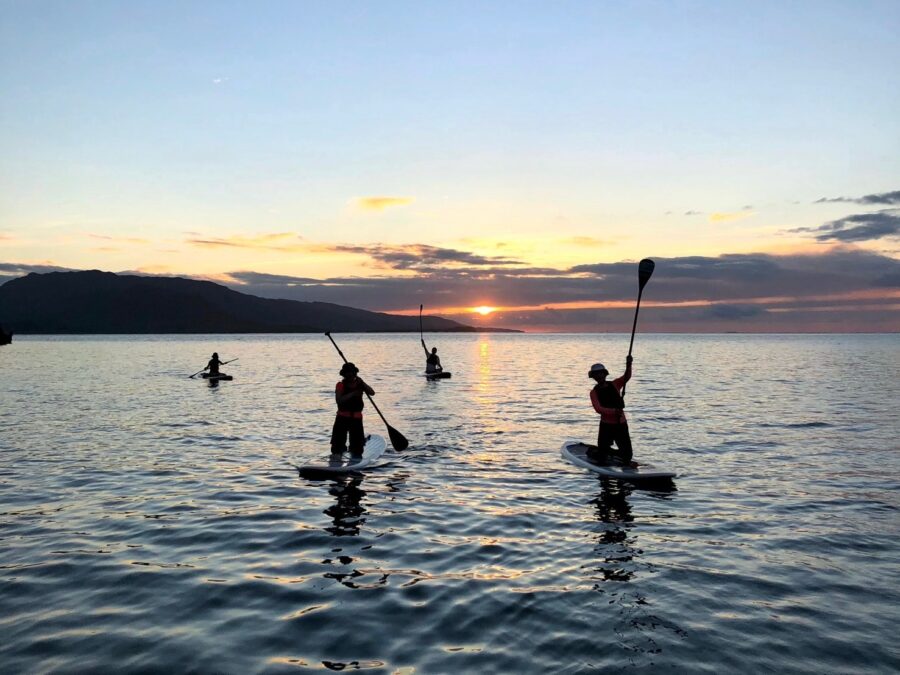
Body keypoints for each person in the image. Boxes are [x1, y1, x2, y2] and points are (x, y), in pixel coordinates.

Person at [588, 356, 634, 465]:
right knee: (601, 456)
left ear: (604, 374)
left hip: (621, 424)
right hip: (606, 426)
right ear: (593, 377)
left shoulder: (615, 384)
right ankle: (597, 452)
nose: (599, 376)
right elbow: (598, 409)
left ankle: (613, 453)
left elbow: (626, 377)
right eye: (596, 375)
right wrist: (614, 411)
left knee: (628, 455)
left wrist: (629, 365)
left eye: (600, 373)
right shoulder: (594, 392)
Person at [331, 362, 375, 458]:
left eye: (351, 373)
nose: (350, 375)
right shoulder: (340, 385)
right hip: (342, 418)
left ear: (355, 373)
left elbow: (372, 393)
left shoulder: (360, 384)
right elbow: (339, 400)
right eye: (347, 373)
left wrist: (363, 383)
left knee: (357, 447)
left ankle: (355, 455)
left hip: (356, 419)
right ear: (344, 374)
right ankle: (337, 454)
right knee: (337, 445)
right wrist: (353, 394)